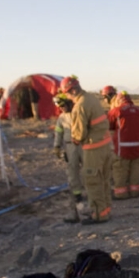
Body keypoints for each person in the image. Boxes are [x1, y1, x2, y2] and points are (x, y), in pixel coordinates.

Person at [59, 75, 113, 224]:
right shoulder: (91, 98)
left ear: (73, 90)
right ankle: (106, 210)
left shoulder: (80, 106)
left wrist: (73, 142)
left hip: (93, 149)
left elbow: (79, 133)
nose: (68, 97)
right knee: (104, 180)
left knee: (93, 181)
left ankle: (98, 214)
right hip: (105, 147)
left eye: (67, 94)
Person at [108, 91, 139, 199]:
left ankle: (121, 193)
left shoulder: (116, 111)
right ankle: (135, 191)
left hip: (122, 147)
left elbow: (110, 125)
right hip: (138, 146)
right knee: (135, 169)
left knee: (120, 170)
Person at [52, 94, 84, 222]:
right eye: (60, 107)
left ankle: (94, 194)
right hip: (70, 147)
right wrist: (57, 146)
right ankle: (77, 195)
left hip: (84, 144)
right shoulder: (61, 117)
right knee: (72, 171)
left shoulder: (80, 113)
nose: (62, 109)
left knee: (89, 170)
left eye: (63, 105)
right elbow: (58, 132)